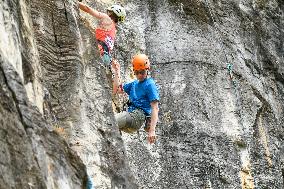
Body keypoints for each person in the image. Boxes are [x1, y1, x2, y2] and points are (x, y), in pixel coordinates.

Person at [112, 54, 160, 144]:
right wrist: (117, 71)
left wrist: (152, 130)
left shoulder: (150, 84)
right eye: (136, 72)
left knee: (110, 121)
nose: (139, 75)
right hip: (130, 117)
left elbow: (155, 108)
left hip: (137, 117)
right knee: (109, 125)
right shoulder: (134, 84)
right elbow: (116, 90)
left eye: (142, 72)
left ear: (147, 69)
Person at [78, 1, 126, 66]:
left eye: (109, 11)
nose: (108, 12)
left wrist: (74, 2)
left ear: (112, 12)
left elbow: (87, 8)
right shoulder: (114, 30)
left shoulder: (106, 18)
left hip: (99, 51)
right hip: (106, 58)